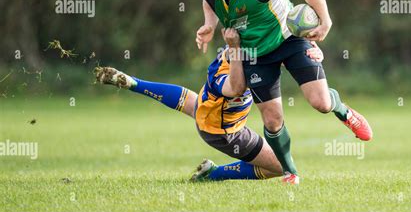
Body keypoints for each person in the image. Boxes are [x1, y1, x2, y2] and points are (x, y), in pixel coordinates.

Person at [195, 0, 373, 184]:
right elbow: (208, 1)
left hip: (289, 39)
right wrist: (209, 25)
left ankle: (343, 111)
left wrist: (326, 22)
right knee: (272, 119)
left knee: (321, 103)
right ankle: (291, 172)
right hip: (254, 54)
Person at [94, 28, 324, 183]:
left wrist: (308, 50)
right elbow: (235, 88)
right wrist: (235, 48)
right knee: (279, 166)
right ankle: (214, 174)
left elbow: (278, 52)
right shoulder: (226, 71)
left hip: (208, 109)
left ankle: (135, 83)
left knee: (192, 102)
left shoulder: (238, 54)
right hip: (225, 133)